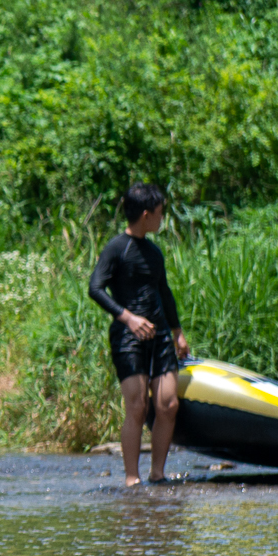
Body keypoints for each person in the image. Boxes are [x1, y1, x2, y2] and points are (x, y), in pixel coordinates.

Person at [88, 182, 190, 486]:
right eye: (160, 212)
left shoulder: (154, 252)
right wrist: (128, 318)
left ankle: (157, 475)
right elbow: (95, 288)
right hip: (128, 337)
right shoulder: (116, 248)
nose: (162, 218)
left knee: (168, 405)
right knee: (137, 406)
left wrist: (178, 332)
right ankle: (132, 479)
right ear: (146, 214)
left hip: (160, 336)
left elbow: (164, 293)